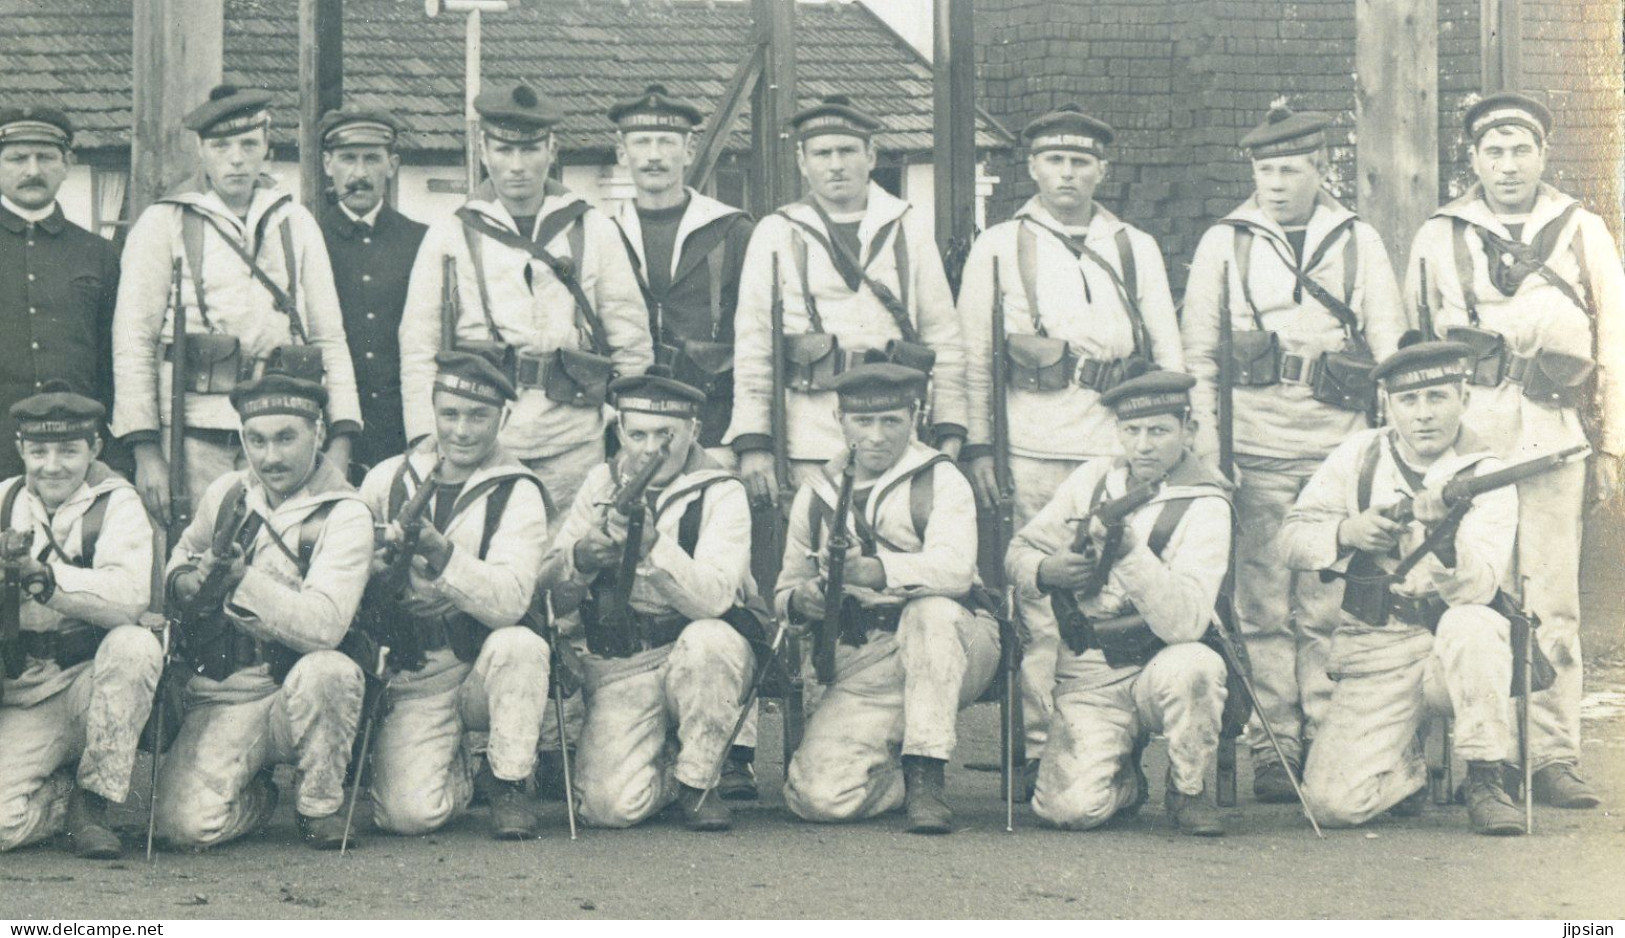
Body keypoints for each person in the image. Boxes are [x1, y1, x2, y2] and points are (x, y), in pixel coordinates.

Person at [1402, 92, 1625, 810]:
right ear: (1471, 159)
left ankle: (1552, 754)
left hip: (1553, 438)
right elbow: (1409, 349)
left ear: (1541, 155)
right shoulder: (1439, 234)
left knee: (1551, 600)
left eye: (1519, 151)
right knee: (1469, 593)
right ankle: (1476, 759)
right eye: (1492, 152)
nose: (1506, 166)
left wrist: (1610, 446)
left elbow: (1614, 344)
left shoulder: (1580, 229)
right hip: (1466, 445)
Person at [1180, 105, 1406, 801]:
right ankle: (1272, 743)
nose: (1274, 184)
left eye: (1289, 169)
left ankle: (1324, 730)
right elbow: (1200, 353)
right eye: (1263, 170)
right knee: (1260, 605)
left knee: (1325, 601)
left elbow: (1390, 342)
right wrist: (1211, 452)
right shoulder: (1225, 241)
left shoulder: (1356, 239)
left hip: (1336, 450)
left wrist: (1384, 454)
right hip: (1254, 446)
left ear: (1320, 169)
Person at [956, 104, 1184, 777]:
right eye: (1054, 160)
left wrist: (1174, 435)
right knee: (1038, 599)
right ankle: (1037, 747)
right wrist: (977, 447)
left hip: (1114, 445)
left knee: (1112, 590)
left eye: (1080, 161)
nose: (1066, 173)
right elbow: (973, 354)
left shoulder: (1131, 245)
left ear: (1101, 170)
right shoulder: (999, 244)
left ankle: (1106, 745)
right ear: (1030, 167)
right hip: (1028, 441)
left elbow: (1166, 349)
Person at [1279, 341, 1525, 834]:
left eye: (1437, 397)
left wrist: (1443, 543)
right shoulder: (1359, 453)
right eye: (1408, 401)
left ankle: (1486, 776)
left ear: (1463, 399)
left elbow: (1479, 588)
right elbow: (1291, 538)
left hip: (1450, 643)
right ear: (1387, 406)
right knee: (1330, 807)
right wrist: (1348, 532)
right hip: (1379, 642)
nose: (1424, 415)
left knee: (1474, 623)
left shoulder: (1488, 473)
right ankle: (1405, 771)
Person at [398, 80, 652, 531]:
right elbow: (418, 348)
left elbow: (630, 340)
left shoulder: (592, 228)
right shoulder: (449, 234)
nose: (516, 166)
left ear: (551, 148)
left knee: (566, 567)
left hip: (572, 439)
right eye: (503, 150)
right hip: (481, 441)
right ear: (482, 148)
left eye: (531, 149)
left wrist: (628, 435)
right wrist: (425, 437)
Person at [112, 84, 363, 528]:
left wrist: (341, 436)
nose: (236, 158)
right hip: (190, 438)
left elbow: (328, 337)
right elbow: (133, 341)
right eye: (221, 145)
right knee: (192, 560)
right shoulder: (163, 223)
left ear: (267, 145)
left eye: (249, 143)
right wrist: (145, 450)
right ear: (200, 150)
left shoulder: (295, 222)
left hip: (281, 437)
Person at [152, 372, 373, 850]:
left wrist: (242, 581)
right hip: (226, 692)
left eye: (286, 438)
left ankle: (319, 804)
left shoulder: (346, 512)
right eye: (256, 439)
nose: (270, 457)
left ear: (318, 433)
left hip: (296, 689)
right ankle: (258, 798)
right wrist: (189, 579)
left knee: (330, 670)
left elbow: (324, 627)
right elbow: (183, 557)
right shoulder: (229, 491)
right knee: (184, 828)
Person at [1005, 371, 1232, 835]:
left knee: (1197, 667)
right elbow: (1017, 551)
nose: (1144, 445)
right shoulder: (1092, 480)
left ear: (1188, 430)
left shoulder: (1208, 503)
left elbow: (1187, 622)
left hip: (1160, 660)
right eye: (1132, 431)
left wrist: (1130, 553)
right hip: (1091, 667)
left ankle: (1188, 787)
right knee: (1067, 811)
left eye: (1159, 431)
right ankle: (1124, 778)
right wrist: (1047, 570)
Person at [539, 368, 763, 832]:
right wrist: (581, 559)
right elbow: (551, 600)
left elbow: (715, 599)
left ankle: (700, 782)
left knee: (710, 639)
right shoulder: (599, 484)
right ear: (619, 430)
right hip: (625, 661)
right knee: (606, 809)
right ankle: (668, 768)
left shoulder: (722, 490)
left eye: (666, 434)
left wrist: (652, 547)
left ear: (694, 431)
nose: (648, 448)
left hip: (697, 654)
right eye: (637, 434)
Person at [777, 364, 996, 835]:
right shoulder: (816, 491)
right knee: (818, 798)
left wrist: (877, 572)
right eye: (863, 422)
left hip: (955, 645)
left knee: (931, 612)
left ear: (914, 416)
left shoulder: (940, 478)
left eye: (892, 421)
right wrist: (803, 599)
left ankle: (926, 775)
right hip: (866, 657)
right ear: (840, 420)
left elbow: (956, 571)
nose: (876, 437)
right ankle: (891, 770)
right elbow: (784, 590)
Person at [725, 95, 968, 504]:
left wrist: (950, 428)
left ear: (871, 155)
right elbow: (754, 344)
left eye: (847, 150)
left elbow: (943, 337)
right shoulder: (777, 232)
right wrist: (754, 442)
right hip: (807, 438)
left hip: (893, 433)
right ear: (803, 162)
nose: (835, 164)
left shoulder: (907, 226)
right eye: (822, 153)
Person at [359, 350, 552, 840]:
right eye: (450, 414)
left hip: (480, 664)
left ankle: (509, 780)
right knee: (406, 817)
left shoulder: (518, 490)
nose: (462, 431)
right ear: (433, 411)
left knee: (522, 645)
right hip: (415, 668)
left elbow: (509, 600)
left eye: (478, 416)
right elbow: (342, 565)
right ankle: (460, 769)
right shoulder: (387, 478)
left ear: (502, 418)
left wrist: (441, 553)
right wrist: (372, 568)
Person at [0, 385, 157, 858]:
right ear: (20, 449)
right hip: (24, 688)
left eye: (69, 451)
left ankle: (93, 803)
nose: (53, 465)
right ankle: (61, 796)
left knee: (135, 643)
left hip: (89, 681)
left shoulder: (117, 503)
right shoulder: (5, 498)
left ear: (95, 449)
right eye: (39, 451)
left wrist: (45, 579)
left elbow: (130, 598)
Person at [607, 84, 754, 457]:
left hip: (714, 425)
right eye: (641, 142)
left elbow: (756, 340)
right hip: (633, 430)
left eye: (666, 142)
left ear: (688, 151)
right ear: (622, 152)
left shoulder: (732, 231)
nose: (653, 156)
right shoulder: (599, 233)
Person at [0, 106, 121, 480]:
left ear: (67, 163)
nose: (32, 170)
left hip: (74, 451)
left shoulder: (97, 252)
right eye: (17, 158)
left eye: (46, 157)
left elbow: (113, 358)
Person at [316, 106, 428, 474]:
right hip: (328, 434)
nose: (359, 174)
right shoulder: (305, 238)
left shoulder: (420, 240)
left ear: (392, 165)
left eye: (372, 159)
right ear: (327, 164)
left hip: (402, 430)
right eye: (348, 159)